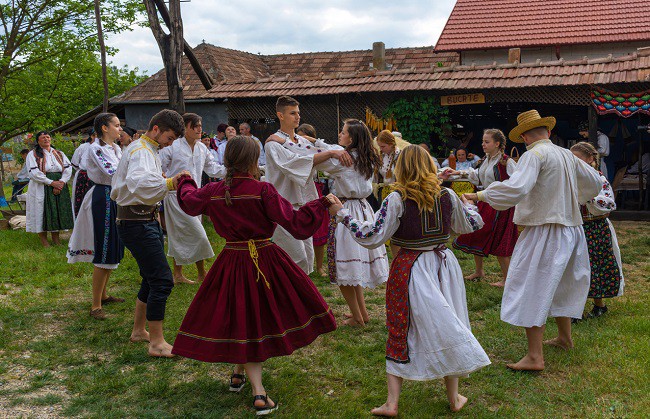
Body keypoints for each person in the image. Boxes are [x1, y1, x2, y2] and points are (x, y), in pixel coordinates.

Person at [171, 135, 337, 416]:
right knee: (253, 322)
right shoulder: (262, 190)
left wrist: (185, 181)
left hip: (232, 262)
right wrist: (320, 205)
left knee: (243, 317)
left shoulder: (214, 190)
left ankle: (238, 374)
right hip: (264, 260)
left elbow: (188, 202)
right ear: (251, 160)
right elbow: (296, 224)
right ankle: (259, 393)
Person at [329, 145, 490, 415]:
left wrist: (343, 215)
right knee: (451, 322)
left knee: (401, 327)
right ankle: (453, 398)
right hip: (444, 267)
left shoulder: (397, 199)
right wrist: (470, 205)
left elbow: (372, 236)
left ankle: (392, 403)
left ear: (402, 168)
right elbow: (471, 225)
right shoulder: (448, 195)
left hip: (410, 268)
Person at [463, 110, 602, 371]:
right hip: (572, 228)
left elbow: (516, 188)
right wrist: (571, 196)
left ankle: (535, 357)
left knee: (530, 285)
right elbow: (595, 182)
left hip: (544, 228)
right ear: (548, 133)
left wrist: (479, 196)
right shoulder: (565, 153)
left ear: (525, 137)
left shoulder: (534, 155)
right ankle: (564, 338)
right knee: (565, 283)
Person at [111, 109, 189, 358]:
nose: (171, 143)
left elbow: (143, 182)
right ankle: (156, 343)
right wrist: (168, 183)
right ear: (156, 129)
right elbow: (138, 183)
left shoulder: (146, 150)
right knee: (162, 280)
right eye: (170, 137)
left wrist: (164, 181)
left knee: (150, 276)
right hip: (136, 222)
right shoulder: (141, 151)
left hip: (143, 220)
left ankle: (138, 331)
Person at [264, 95, 352, 274]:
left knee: (308, 257)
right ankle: (287, 293)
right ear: (280, 115)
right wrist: (329, 154)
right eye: (292, 113)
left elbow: (327, 154)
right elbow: (295, 163)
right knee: (296, 258)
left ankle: (299, 295)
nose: (297, 117)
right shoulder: (273, 144)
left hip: (305, 204)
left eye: (298, 113)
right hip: (284, 204)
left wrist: (321, 145)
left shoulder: (302, 141)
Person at [321, 119, 389, 327]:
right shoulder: (367, 156)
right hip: (363, 209)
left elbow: (315, 160)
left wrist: (329, 152)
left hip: (346, 210)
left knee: (344, 267)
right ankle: (362, 313)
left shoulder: (344, 159)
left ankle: (358, 317)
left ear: (351, 138)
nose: (339, 135)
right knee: (354, 266)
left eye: (342, 133)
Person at [67, 113, 125, 320]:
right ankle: (95, 305)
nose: (120, 129)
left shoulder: (116, 149)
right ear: (104, 128)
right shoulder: (96, 149)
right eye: (116, 125)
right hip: (103, 196)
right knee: (104, 245)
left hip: (113, 196)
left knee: (112, 245)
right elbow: (112, 173)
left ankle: (104, 294)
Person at [160, 113, 226, 284]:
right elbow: (158, 167)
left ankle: (179, 274)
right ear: (185, 128)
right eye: (195, 126)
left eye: (200, 125)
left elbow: (212, 169)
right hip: (175, 197)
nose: (199, 129)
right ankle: (202, 273)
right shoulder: (172, 147)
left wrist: (232, 172)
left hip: (195, 197)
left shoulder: (202, 148)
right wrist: (165, 182)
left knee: (181, 235)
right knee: (197, 234)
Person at [448, 129, 518, 286]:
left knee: (500, 239)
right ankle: (479, 271)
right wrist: (457, 172)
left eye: (487, 142)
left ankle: (508, 279)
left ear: (497, 144)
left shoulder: (506, 162)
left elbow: (515, 184)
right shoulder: (486, 160)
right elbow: (476, 176)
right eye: (483, 141)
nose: (483, 144)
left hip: (501, 206)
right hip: (485, 203)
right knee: (475, 232)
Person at [570, 142, 624, 319]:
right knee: (574, 267)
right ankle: (572, 310)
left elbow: (608, 204)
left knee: (596, 265)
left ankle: (599, 305)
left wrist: (588, 198)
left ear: (591, 159)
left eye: (577, 159)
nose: (574, 163)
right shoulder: (568, 180)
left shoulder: (599, 179)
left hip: (596, 228)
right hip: (574, 227)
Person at [25, 131, 73, 247]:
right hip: (41, 185)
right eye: (43, 138)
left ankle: (56, 240)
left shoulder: (59, 153)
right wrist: (51, 183)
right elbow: (34, 173)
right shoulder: (33, 154)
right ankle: (44, 241)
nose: (46, 139)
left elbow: (68, 168)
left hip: (59, 183)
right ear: (38, 141)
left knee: (55, 212)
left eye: (48, 137)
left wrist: (61, 182)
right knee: (42, 211)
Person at [297, 123, 329, 277]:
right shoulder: (294, 151)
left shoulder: (316, 151)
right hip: (298, 190)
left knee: (319, 230)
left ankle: (319, 266)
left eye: (303, 137)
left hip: (314, 190)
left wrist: (310, 140)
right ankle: (303, 263)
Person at [376, 130, 401, 258]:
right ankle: (392, 254)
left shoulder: (400, 155)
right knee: (387, 224)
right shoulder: (382, 156)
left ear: (391, 144)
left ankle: (400, 254)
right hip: (385, 192)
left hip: (398, 193)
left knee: (397, 224)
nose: (381, 149)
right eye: (380, 146)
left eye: (383, 146)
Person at [70, 130, 95, 219]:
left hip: (98, 177)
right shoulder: (83, 147)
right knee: (81, 200)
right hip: (83, 177)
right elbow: (75, 163)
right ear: (92, 136)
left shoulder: (106, 147)